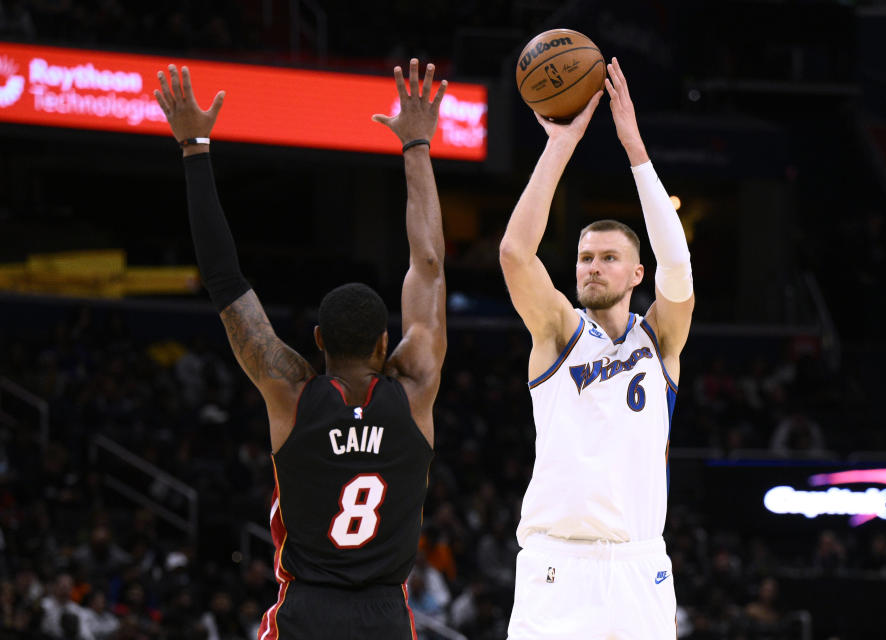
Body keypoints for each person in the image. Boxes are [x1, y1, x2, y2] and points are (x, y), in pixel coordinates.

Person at [154, 57, 448, 639]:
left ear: (316, 341)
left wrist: (195, 147)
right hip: (386, 615)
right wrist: (416, 144)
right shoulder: (415, 387)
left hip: (305, 613)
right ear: (386, 341)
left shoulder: (288, 390)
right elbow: (430, 265)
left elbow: (225, 280)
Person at [498, 57, 695, 639]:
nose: (592, 266)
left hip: (639, 568)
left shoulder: (658, 340)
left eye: (608, 257)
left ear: (637, 273)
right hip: (558, 566)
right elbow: (514, 253)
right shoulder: (559, 331)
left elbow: (678, 266)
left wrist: (634, 147)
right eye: (585, 257)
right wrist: (561, 144)